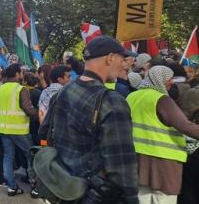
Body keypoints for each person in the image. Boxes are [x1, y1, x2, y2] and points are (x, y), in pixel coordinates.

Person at [39, 35, 139, 204]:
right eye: (123, 59)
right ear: (110, 58)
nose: (124, 64)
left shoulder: (63, 91)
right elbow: (121, 165)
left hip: (65, 189)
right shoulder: (112, 101)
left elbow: (44, 132)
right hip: (93, 194)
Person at [126, 65, 199, 204]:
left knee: (142, 198)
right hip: (163, 162)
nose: (172, 82)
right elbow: (185, 126)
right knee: (164, 199)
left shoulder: (131, 96)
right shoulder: (162, 100)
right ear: (159, 79)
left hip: (137, 158)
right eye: (169, 79)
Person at [0, 63, 38, 197]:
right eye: (21, 72)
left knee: (8, 157)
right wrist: (38, 114)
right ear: (18, 74)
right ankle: (35, 188)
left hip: (4, 129)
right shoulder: (21, 89)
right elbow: (28, 109)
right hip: (19, 130)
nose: (23, 74)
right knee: (30, 157)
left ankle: (11, 188)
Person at [23, 72, 42, 146]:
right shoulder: (39, 92)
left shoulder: (23, 92)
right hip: (37, 118)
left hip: (26, 119)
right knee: (37, 137)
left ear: (25, 81)